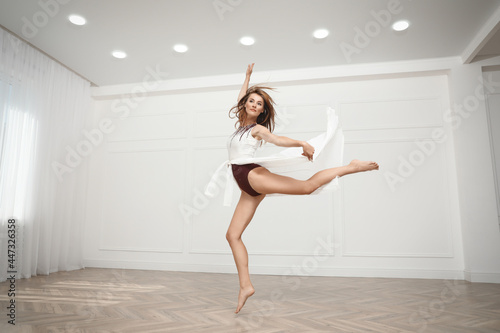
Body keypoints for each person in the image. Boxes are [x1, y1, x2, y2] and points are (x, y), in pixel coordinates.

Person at [223, 64, 379, 313]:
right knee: (232, 235)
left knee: (307, 187)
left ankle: (351, 167)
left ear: (262, 112)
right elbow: (240, 97)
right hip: (245, 185)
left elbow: (278, 139)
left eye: (259, 104)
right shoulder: (241, 122)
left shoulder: (256, 129)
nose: (253, 105)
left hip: (251, 175)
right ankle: (245, 286)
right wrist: (247, 78)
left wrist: (301, 143)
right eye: (251, 101)